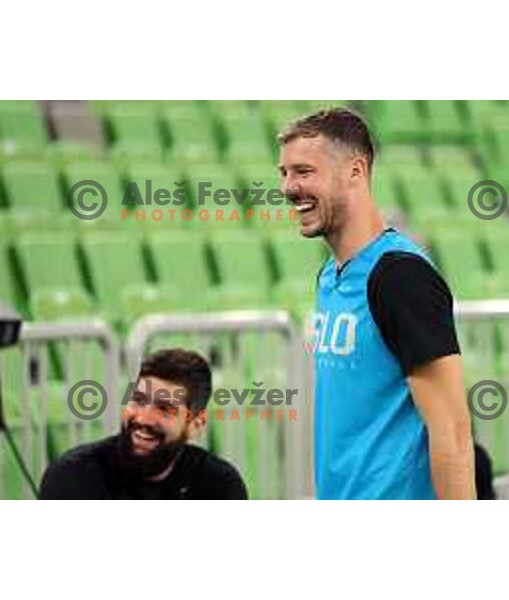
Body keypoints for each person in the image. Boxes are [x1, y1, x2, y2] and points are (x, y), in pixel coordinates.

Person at [278, 108, 475, 499]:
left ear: (356, 170)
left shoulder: (400, 277)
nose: (287, 187)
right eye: (283, 173)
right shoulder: (330, 275)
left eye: (303, 171)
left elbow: (452, 433)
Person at [40, 348, 247, 499]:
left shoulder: (219, 485)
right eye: (138, 400)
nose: (142, 418)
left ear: (196, 424)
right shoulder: (74, 476)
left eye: (164, 409)